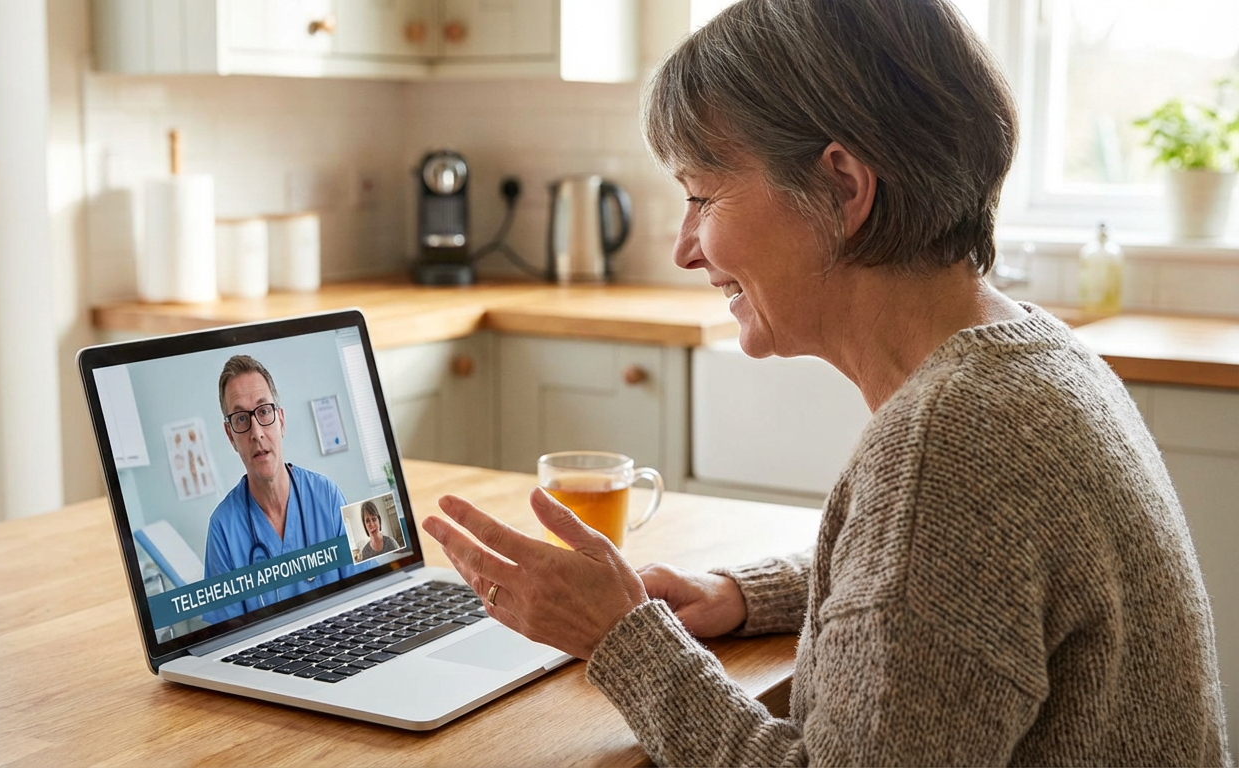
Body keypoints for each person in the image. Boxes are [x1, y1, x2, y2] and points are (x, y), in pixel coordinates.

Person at [421, 0, 1231, 764]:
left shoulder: (952, 444)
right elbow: (945, 590)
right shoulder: (1031, 354)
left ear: (843, 187)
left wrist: (624, 637)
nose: (684, 247)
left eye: (702, 195)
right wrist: (740, 594)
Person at [203, 354, 359, 624]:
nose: (256, 433)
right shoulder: (222, 529)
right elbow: (224, 639)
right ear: (230, 436)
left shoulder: (329, 498)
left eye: (264, 412)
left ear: (281, 420)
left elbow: (367, 598)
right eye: (241, 419)